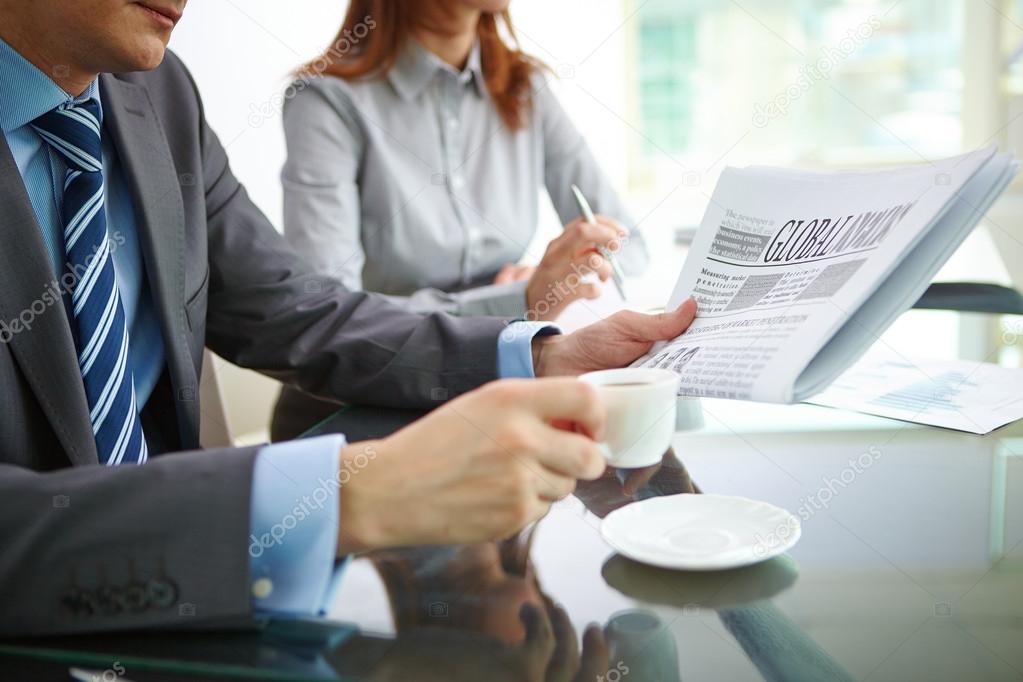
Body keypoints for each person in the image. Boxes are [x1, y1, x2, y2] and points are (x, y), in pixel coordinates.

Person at [0, 0, 697, 637]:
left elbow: (297, 309)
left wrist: (542, 353)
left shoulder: (158, 93)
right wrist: (344, 494)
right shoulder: (324, 98)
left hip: (190, 601)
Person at [271, 0, 650, 438]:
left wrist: (549, 278)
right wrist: (515, 299)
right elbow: (327, 314)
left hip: (489, 397)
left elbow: (630, 248)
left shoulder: (527, 88)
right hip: (354, 415)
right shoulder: (327, 100)